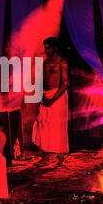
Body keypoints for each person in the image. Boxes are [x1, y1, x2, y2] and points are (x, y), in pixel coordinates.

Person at [33, 37, 69, 167]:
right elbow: (42, 81)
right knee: (43, 123)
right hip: (46, 95)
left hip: (57, 96)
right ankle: (46, 154)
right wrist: (43, 96)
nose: (46, 50)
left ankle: (59, 155)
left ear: (55, 48)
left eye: (48, 48)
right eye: (45, 47)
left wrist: (53, 99)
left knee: (57, 124)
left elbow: (65, 83)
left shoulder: (62, 62)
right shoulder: (46, 62)